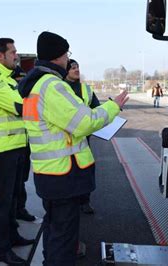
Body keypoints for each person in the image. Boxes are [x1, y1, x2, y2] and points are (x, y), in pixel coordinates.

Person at [18, 31, 129, 266]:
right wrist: (112, 107)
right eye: (67, 53)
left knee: (54, 228)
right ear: (58, 56)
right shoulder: (52, 86)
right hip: (63, 175)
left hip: (49, 173)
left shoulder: (36, 85)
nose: (69, 59)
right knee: (64, 237)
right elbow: (84, 122)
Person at [0, 38, 34, 266]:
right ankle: (2, 249)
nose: (16, 55)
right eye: (13, 52)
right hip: (3, 149)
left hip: (16, 146)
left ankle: (13, 236)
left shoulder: (6, 78)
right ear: (0, 55)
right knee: (3, 201)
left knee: (11, 199)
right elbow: (23, 106)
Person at [65, 59, 99, 215]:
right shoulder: (60, 88)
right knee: (68, 170)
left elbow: (97, 108)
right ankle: (71, 200)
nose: (76, 69)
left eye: (77, 67)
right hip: (64, 138)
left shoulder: (86, 89)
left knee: (86, 169)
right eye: (72, 67)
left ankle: (85, 201)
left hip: (84, 137)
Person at [11, 65, 39, 223]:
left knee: (21, 180)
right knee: (13, 184)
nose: (21, 84)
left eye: (23, 80)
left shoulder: (28, 95)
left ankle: (20, 209)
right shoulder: (12, 96)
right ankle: (14, 211)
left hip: (25, 143)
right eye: (18, 81)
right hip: (11, 144)